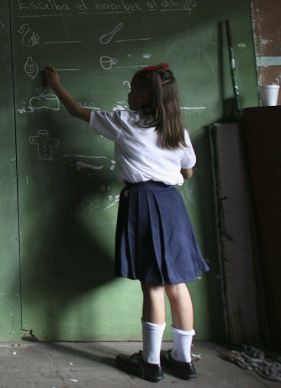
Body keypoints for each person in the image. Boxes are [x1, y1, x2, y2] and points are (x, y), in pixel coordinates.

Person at [43, 63, 209, 383]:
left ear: (144, 95)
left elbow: (77, 111)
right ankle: (183, 360)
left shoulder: (125, 122)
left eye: (132, 89)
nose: (128, 94)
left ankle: (150, 363)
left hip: (143, 201)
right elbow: (187, 172)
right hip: (172, 205)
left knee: (154, 285)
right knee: (178, 285)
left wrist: (54, 84)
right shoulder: (177, 131)